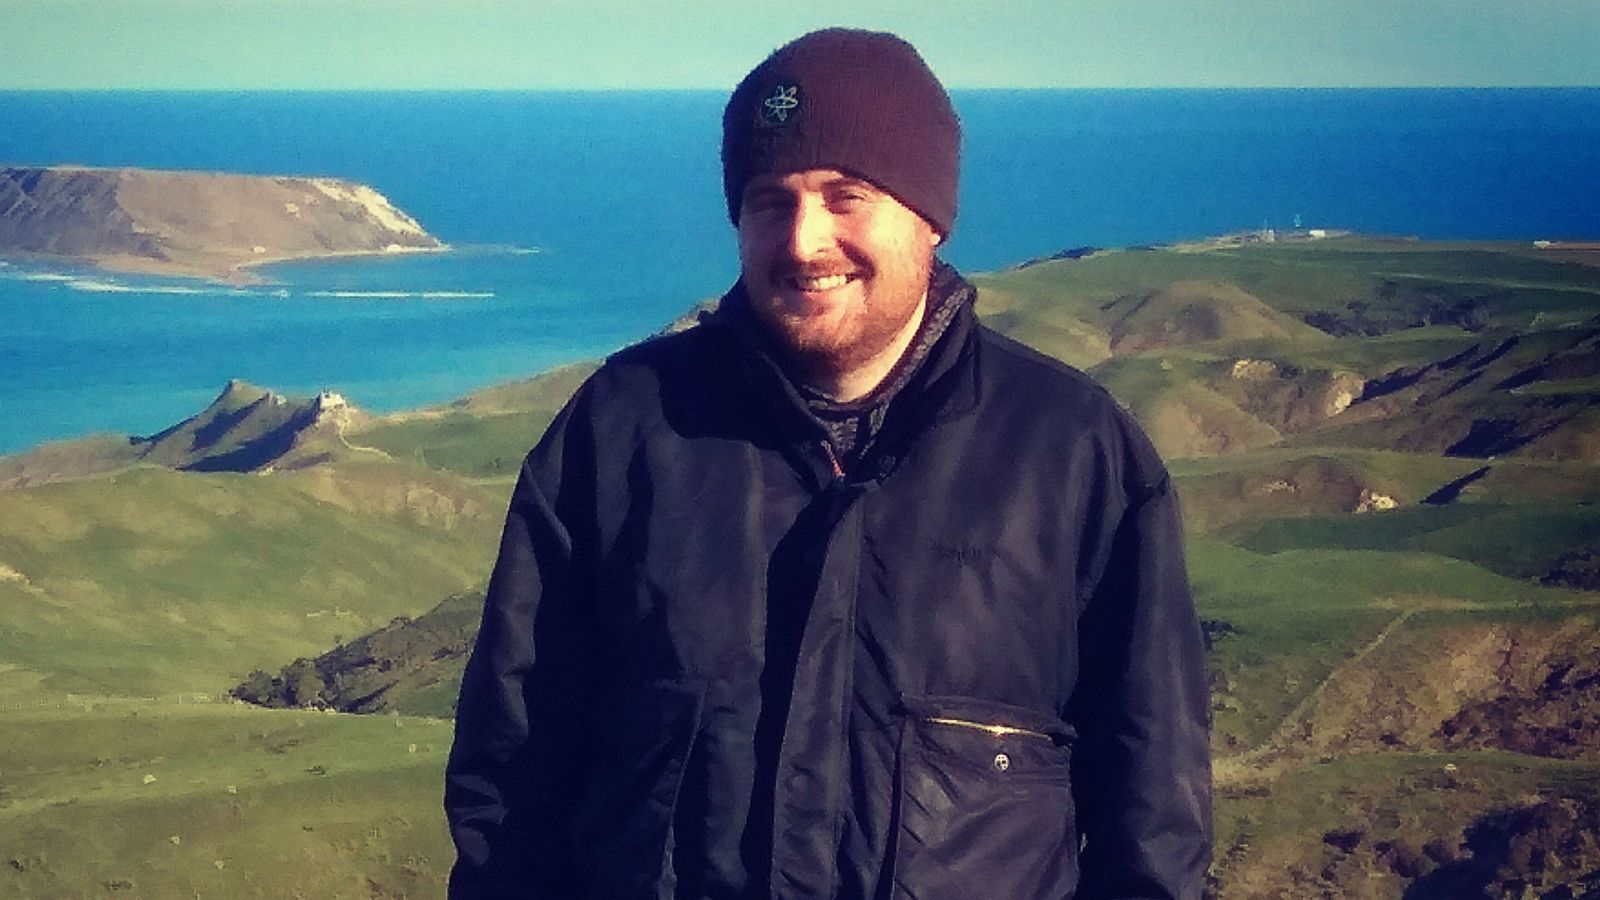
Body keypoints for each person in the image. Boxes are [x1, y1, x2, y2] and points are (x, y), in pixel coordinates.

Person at [445, 27, 1211, 900]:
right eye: (771, 201)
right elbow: (511, 777)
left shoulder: (1077, 458)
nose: (805, 241)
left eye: (846, 197)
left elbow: (1153, 826)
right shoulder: (619, 434)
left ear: (929, 216)